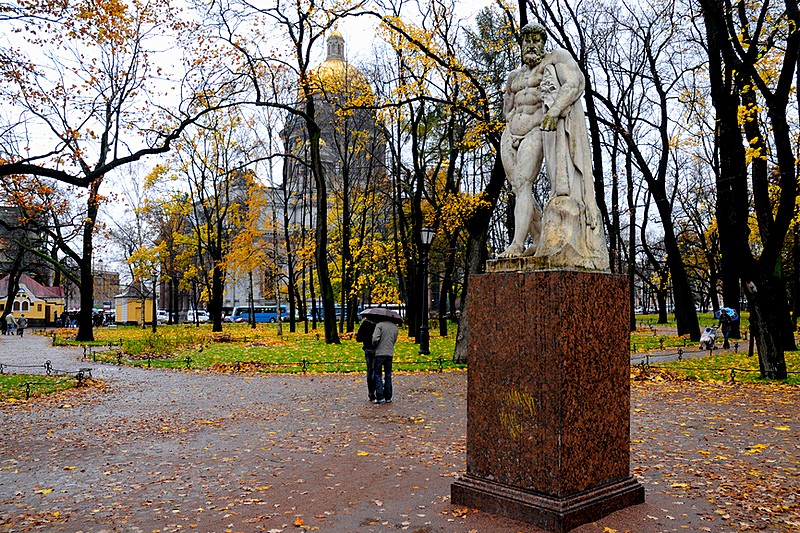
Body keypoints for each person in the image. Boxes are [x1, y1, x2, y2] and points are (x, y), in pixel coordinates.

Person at [498, 24, 608, 271]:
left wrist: (556, 109)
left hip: (537, 130)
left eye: (537, 40)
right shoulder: (514, 77)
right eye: (527, 40)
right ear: (521, 44)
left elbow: (575, 83)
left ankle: (516, 244)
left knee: (525, 183)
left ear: (543, 42)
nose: (531, 45)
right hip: (510, 133)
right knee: (518, 189)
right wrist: (511, 125)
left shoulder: (556, 59)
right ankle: (538, 240)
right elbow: (508, 108)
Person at [371, 318, 399, 404]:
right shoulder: (395, 327)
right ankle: (388, 397)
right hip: (389, 353)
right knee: (388, 375)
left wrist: (374, 345)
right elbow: (394, 340)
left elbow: (375, 339)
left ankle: (380, 396)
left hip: (379, 353)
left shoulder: (379, 325)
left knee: (377, 374)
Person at [356, 317, 377, 402]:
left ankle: (371, 392)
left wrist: (365, 339)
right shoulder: (377, 325)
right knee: (376, 370)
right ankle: (376, 391)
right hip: (376, 349)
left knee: (370, 370)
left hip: (367, 349)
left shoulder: (364, 325)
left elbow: (358, 338)